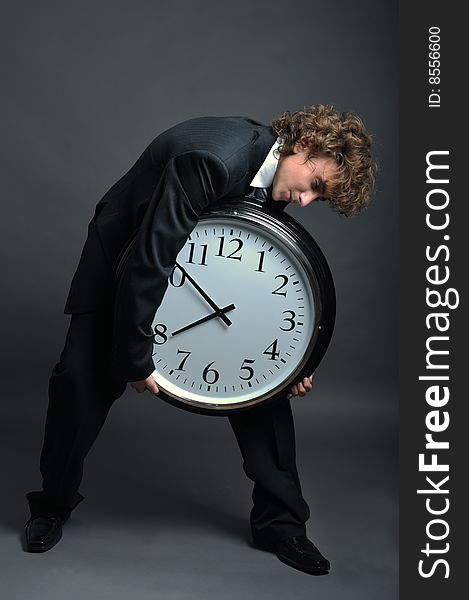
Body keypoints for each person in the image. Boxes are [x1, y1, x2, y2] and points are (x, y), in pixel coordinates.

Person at [23, 104, 377, 575]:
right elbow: (151, 257)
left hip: (196, 270)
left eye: (321, 199)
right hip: (122, 254)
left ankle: (283, 525)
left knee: (263, 397)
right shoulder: (217, 159)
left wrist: (296, 368)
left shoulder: (274, 169)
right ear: (306, 144)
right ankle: (52, 505)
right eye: (315, 186)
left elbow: (274, 264)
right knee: (78, 382)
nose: (307, 203)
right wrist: (135, 358)